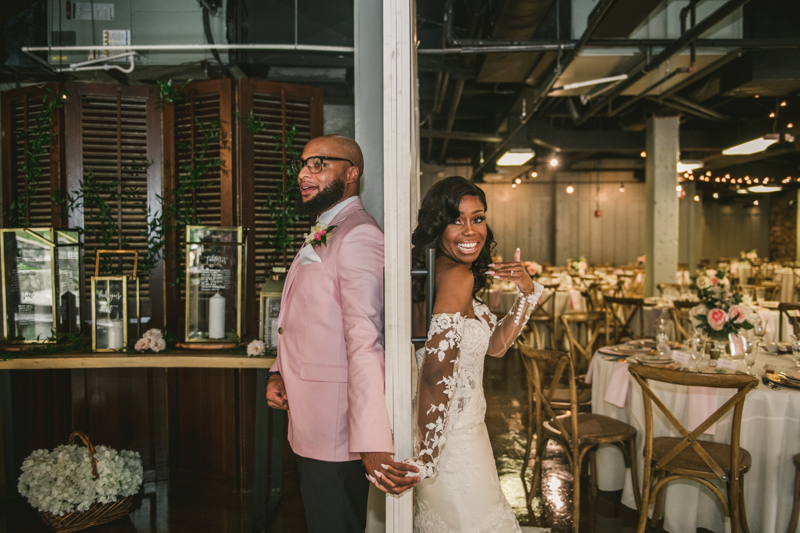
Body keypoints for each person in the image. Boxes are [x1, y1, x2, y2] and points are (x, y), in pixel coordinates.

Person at [371, 176, 543, 532]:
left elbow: (494, 346)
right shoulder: (457, 277)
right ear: (438, 224)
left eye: (477, 218)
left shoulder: (436, 270)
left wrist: (526, 292)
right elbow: (435, 369)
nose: (470, 230)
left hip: (460, 434)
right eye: (456, 219)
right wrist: (430, 457)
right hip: (454, 446)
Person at [266, 135, 419, 533]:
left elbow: (366, 339)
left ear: (352, 174)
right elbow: (307, 320)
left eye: (319, 164)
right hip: (312, 417)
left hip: (337, 430)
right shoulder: (328, 227)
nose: (303, 173)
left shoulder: (359, 235)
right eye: (302, 164)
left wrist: (370, 438)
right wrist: (278, 370)